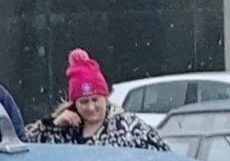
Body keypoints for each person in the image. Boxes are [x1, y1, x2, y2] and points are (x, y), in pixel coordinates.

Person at [25, 50, 169, 149]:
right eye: (84, 102)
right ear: (74, 103)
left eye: (95, 100)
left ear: (105, 97)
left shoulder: (128, 128)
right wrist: (53, 124)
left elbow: (163, 157)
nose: (91, 107)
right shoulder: (63, 130)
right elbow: (29, 149)